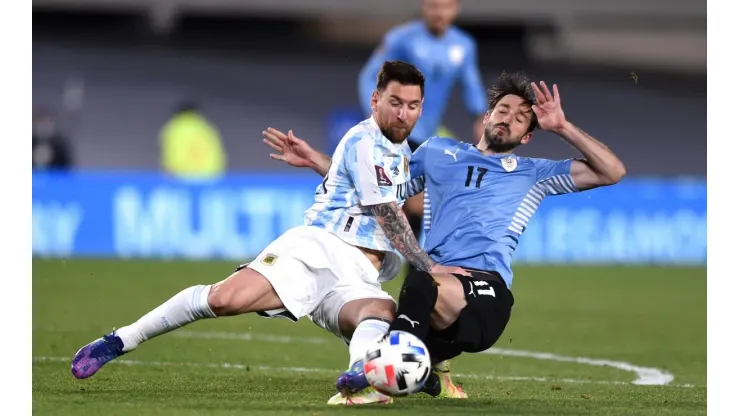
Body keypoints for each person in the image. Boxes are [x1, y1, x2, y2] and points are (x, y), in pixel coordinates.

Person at [69, 61, 468, 406]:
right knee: (224, 299)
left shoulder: (396, 148)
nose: (404, 114)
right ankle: (121, 340)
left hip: (359, 276)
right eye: (395, 103)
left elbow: (358, 185)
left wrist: (318, 161)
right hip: (320, 249)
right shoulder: (366, 138)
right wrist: (429, 267)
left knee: (379, 312)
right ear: (375, 101)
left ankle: (360, 381)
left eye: (413, 106)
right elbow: (385, 213)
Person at [263, 71, 627, 398]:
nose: (508, 118)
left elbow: (612, 171)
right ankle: (420, 375)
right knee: (386, 308)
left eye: (520, 118)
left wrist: (562, 127)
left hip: (487, 292)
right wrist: (318, 162)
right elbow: (378, 188)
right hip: (438, 292)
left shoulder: (535, 173)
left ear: (528, 136)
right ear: (487, 116)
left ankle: (378, 377)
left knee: (421, 284)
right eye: (503, 109)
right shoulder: (438, 151)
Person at [358, 0, 488, 240]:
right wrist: (376, 115)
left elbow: (471, 84)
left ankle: (415, 269)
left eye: (446, 7)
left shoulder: (463, 45)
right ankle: (409, 267)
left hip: (428, 132)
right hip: (398, 132)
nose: (439, 13)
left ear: (455, 9)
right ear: (424, 8)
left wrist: (480, 117)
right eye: (433, 6)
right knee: (407, 205)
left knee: (422, 206)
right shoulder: (401, 39)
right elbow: (369, 77)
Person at [159, 101, 227, 179]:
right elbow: (217, 153)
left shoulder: (175, 128)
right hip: (210, 177)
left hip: (183, 177)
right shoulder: (206, 128)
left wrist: (168, 174)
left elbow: (174, 153)